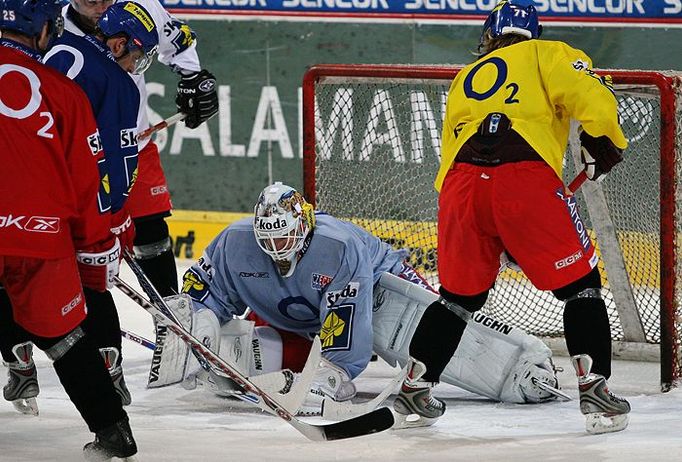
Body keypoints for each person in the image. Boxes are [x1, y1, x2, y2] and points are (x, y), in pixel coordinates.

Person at [397, 0, 631, 433]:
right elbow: (594, 98)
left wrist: (491, 226)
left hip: (460, 188)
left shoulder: (466, 77)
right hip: (523, 180)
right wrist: (604, 140)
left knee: (458, 298)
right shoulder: (548, 54)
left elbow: (450, 156)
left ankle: (414, 388)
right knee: (581, 288)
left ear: (489, 35)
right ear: (532, 34)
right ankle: (596, 392)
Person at [149, 182, 560, 416]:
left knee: (431, 346)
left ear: (304, 226)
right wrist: (193, 333)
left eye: (284, 235)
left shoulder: (336, 247)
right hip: (300, 313)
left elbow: (345, 329)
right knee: (253, 353)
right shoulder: (234, 243)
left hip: (380, 284)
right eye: (268, 237)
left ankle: (527, 370)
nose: (277, 246)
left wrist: (335, 373)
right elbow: (204, 296)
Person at [0, 0, 137, 458]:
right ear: (41, 29)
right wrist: (95, 252)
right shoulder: (62, 91)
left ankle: (17, 363)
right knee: (66, 339)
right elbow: (89, 187)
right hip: (39, 238)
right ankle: (114, 432)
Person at [64, 0, 219, 299]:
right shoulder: (48, 22)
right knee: (79, 247)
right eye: (89, 1)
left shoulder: (139, 7)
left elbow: (178, 39)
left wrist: (193, 77)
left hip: (131, 144)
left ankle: (171, 318)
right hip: (72, 157)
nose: (99, 7)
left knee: (150, 231)